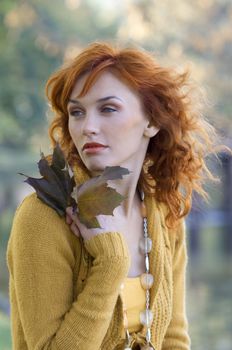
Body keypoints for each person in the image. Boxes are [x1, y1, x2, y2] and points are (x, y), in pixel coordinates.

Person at [7, 41, 217, 350]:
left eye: (108, 109)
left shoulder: (162, 213)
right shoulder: (44, 217)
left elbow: (173, 338)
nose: (88, 127)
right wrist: (110, 263)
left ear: (152, 121)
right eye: (77, 112)